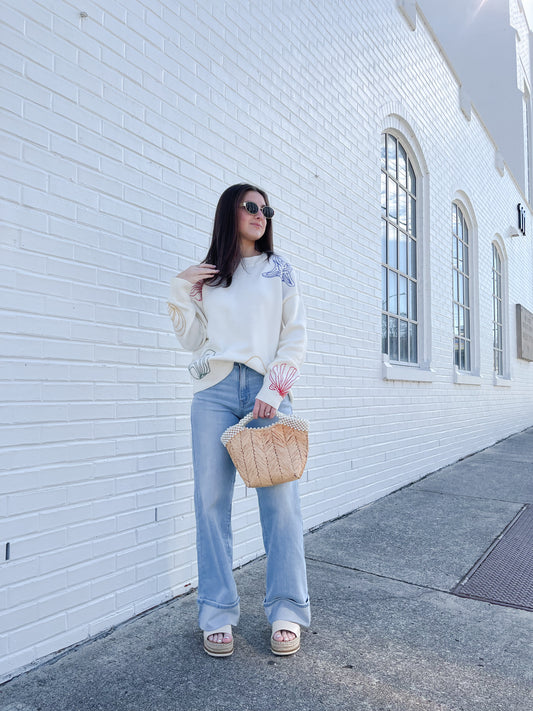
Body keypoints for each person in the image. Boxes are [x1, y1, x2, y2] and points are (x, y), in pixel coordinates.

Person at [167, 183, 310, 657]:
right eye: (251, 206)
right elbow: (190, 341)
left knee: (281, 504)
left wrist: (275, 389)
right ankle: (216, 612)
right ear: (229, 211)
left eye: (266, 208)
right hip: (214, 393)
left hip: (267, 393)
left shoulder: (279, 269)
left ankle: (287, 609)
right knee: (210, 501)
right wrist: (180, 287)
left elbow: (294, 337)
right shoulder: (208, 277)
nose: (260, 214)